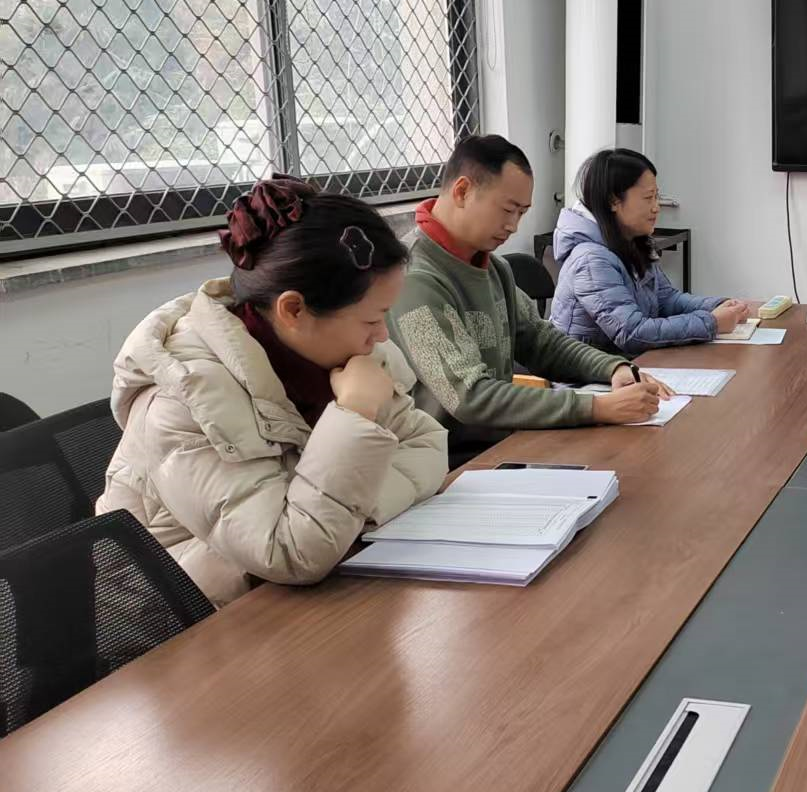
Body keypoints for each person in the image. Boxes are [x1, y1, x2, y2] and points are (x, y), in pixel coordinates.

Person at [98, 177, 448, 607]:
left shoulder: (343, 354)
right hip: (183, 621)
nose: (381, 336)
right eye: (371, 320)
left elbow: (428, 445)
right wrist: (355, 414)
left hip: (303, 591)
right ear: (294, 310)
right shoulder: (182, 399)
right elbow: (292, 552)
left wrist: (347, 513)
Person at [388, 136, 671, 458]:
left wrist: (613, 369)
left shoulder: (493, 267)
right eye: (508, 210)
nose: (513, 226)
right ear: (462, 191)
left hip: (503, 443)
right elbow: (469, 397)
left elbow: (540, 341)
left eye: (522, 213)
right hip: (447, 463)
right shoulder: (413, 278)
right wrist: (597, 407)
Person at [551, 149, 751, 354]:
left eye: (657, 196)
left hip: (627, 364)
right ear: (613, 201)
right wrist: (712, 322)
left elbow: (667, 300)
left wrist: (718, 305)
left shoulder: (633, 242)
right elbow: (632, 333)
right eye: (648, 198)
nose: (656, 207)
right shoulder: (590, 260)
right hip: (587, 373)